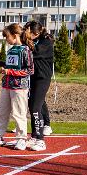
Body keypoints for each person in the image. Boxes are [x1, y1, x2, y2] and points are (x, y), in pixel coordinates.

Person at [0, 23, 33, 150]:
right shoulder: (10, 50)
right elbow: (10, 66)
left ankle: (21, 138)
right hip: (6, 85)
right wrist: (4, 69)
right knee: (2, 111)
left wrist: (10, 72)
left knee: (19, 113)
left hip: (19, 87)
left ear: (15, 35)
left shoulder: (26, 50)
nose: (6, 39)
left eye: (7, 36)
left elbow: (30, 70)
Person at [23, 21, 54, 151]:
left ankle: (41, 140)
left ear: (35, 33)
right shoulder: (32, 41)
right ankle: (35, 136)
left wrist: (24, 45)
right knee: (32, 105)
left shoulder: (45, 43)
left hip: (43, 78)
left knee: (35, 107)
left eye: (28, 32)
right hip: (33, 77)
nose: (26, 35)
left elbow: (34, 53)